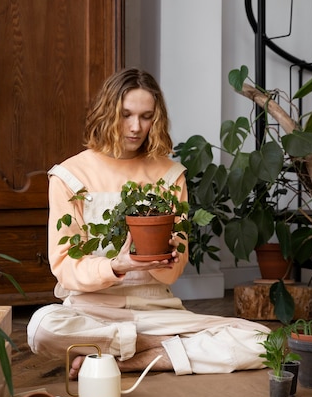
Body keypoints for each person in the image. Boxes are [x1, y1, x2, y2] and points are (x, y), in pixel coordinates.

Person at [27, 68, 270, 377]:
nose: (135, 127)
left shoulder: (170, 175)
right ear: (106, 112)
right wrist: (118, 266)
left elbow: (173, 271)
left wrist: (161, 258)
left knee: (262, 341)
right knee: (41, 328)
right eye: (126, 114)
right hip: (92, 312)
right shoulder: (69, 175)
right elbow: (64, 267)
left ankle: (124, 361)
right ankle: (160, 346)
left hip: (156, 310)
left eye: (146, 116)